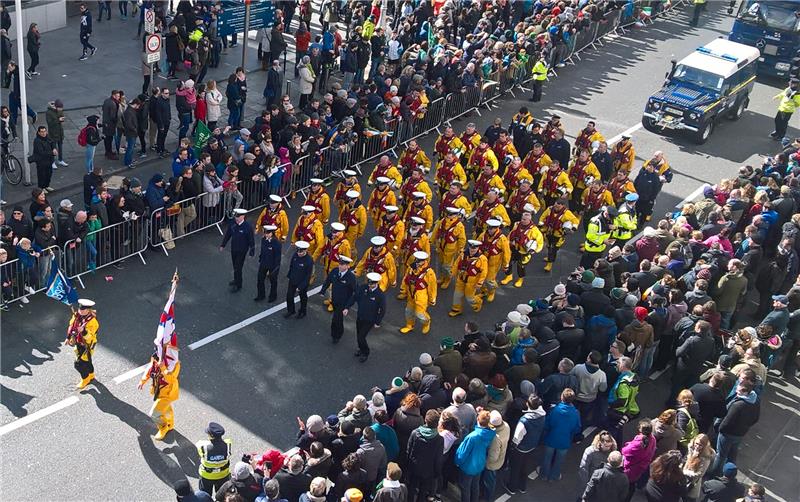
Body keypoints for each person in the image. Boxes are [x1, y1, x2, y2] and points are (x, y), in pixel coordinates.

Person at [710, 380, 760, 477]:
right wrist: (745, 426)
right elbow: (756, 418)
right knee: (733, 452)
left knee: (721, 455)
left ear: (745, 392)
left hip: (728, 433)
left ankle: (715, 473)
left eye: (739, 391)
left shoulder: (738, 405)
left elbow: (727, 421)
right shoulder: (755, 400)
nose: (737, 392)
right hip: (741, 433)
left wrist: (720, 429)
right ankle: (730, 469)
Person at [540, 388, 581, 482]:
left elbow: (547, 424)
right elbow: (577, 429)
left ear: (562, 397)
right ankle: (554, 476)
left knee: (547, 458)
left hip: (551, 438)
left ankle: (544, 475)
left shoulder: (554, 410)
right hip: (565, 441)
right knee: (559, 460)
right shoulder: (575, 413)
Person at [138, 349, 180, 441]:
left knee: (154, 414)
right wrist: (143, 381)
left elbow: (171, 379)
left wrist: (163, 368)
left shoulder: (174, 363)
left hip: (167, 394)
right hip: (158, 391)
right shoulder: (156, 356)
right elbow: (150, 368)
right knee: (166, 409)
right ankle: (170, 424)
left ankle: (163, 427)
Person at [455, 410, 496, 502]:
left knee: (465, 488)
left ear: (477, 419)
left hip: (468, 467)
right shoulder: (490, 434)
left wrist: (457, 462)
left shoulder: (472, 437)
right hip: (480, 464)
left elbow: (462, 453)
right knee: (475, 485)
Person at [344, 272, 386, 362]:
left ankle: (365, 352)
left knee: (361, 337)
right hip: (360, 316)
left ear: (376, 283)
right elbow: (354, 297)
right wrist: (347, 307)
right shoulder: (363, 288)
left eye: (372, 284)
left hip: (369, 320)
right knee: (359, 334)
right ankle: (361, 349)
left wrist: (377, 322)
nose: (369, 285)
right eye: (369, 283)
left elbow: (382, 310)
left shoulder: (380, 295)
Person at [320, 255, 357, 343]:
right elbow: (328, 281)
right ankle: (336, 333)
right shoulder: (335, 271)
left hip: (343, 303)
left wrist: (347, 307)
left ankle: (336, 335)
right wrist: (322, 291)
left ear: (348, 266)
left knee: (336, 319)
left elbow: (356, 293)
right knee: (338, 319)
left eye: (343, 264)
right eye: (340, 264)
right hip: (334, 299)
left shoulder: (351, 278)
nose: (340, 266)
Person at [399, 251, 437, 334]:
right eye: (417, 260)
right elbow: (405, 279)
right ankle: (409, 325)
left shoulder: (429, 273)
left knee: (420, 314)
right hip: (411, 294)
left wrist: (432, 298)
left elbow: (432, 287)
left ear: (424, 261)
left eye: (420, 261)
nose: (417, 262)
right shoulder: (411, 269)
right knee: (408, 312)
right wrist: (403, 289)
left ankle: (427, 323)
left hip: (421, 297)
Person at [65, 298, 99, 389]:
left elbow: (90, 337)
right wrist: (68, 337)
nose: (80, 311)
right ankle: (91, 375)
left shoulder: (93, 322)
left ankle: (85, 379)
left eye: (83, 310)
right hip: (78, 342)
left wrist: (83, 331)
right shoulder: (76, 315)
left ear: (88, 310)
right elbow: (71, 325)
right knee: (87, 361)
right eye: (80, 309)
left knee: (78, 364)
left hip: (87, 344)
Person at [219, 208, 255, 292]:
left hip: (242, 251)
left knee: (238, 268)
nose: (236, 218)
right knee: (235, 266)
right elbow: (228, 234)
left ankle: (238, 284)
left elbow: (251, 240)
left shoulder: (247, 227)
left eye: (238, 217)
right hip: (234, 249)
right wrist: (223, 245)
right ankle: (236, 280)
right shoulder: (233, 224)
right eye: (236, 216)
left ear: (243, 216)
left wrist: (252, 251)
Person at [449, 240, 487, 317]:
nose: (472, 250)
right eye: (471, 247)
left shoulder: (482, 259)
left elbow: (484, 272)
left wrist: (480, 282)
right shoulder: (463, 254)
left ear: (478, 248)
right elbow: (456, 264)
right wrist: (453, 273)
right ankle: (456, 309)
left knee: (469, 298)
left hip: (472, 282)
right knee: (457, 295)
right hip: (461, 278)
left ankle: (478, 302)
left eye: (474, 248)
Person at [285, 240, 314, 319]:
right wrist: (289, 276)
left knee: (303, 298)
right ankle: (291, 310)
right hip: (293, 280)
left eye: (301, 252)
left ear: (305, 250)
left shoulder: (309, 260)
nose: (299, 253)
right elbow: (291, 266)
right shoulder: (295, 255)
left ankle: (302, 311)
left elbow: (308, 276)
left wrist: (301, 286)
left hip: (302, 283)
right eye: (298, 251)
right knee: (289, 296)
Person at [254, 224, 282, 302]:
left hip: (272, 266)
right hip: (263, 263)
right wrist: (261, 259)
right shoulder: (263, 240)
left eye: (267, 233)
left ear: (272, 233)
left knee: (273, 282)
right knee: (260, 280)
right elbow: (263, 251)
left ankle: (273, 296)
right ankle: (261, 295)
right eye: (265, 233)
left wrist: (275, 269)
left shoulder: (277, 243)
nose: (266, 234)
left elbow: (277, 258)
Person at [32, 126, 57, 192]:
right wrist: (52, 152)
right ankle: (41, 188)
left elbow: (52, 142)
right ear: (39, 132)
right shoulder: (37, 141)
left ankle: (46, 186)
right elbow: (41, 152)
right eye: (42, 132)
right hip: (41, 161)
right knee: (42, 175)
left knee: (49, 174)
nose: (43, 133)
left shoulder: (48, 137)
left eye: (44, 131)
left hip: (49, 160)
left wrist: (54, 148)